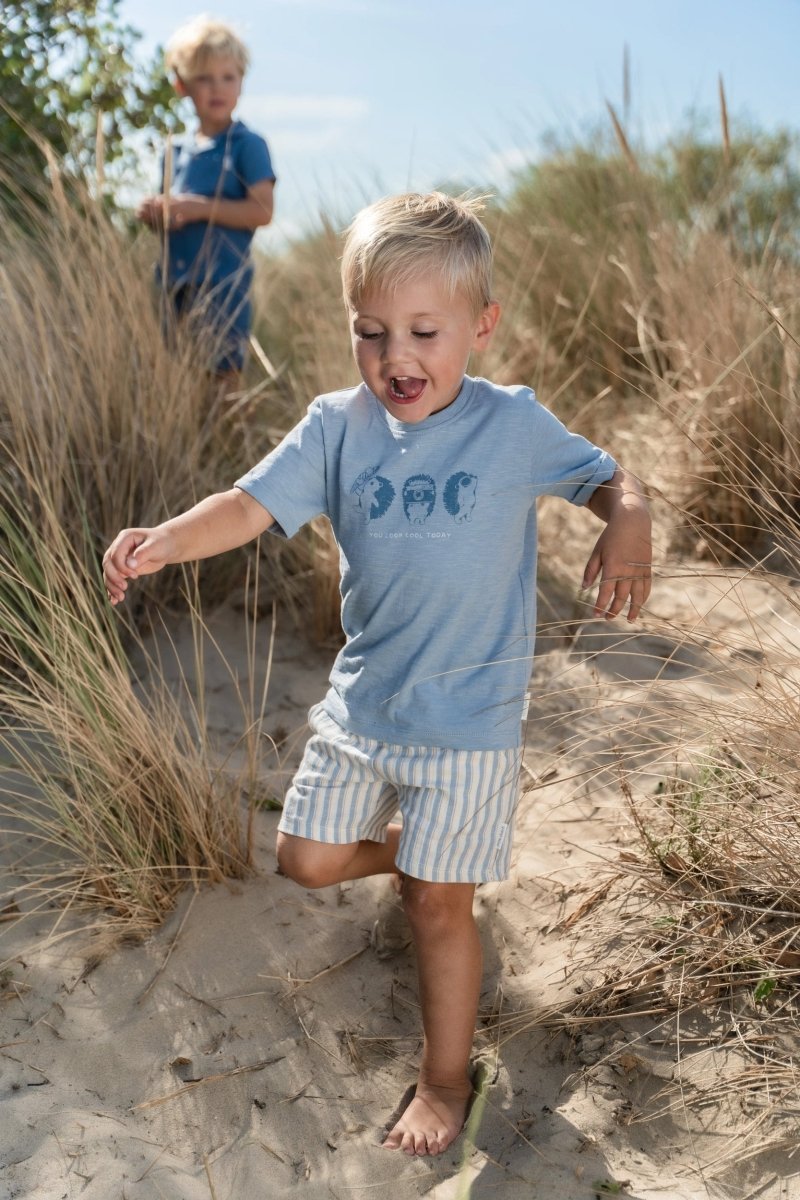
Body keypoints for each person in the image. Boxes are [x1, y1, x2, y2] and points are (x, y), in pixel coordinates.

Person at [103, 192, 652, 1158]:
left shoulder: (512, 424)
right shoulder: (336, 427)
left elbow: (608, 476)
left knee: (436, 905)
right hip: (364, 707)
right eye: (371, 331)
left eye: (425, 332)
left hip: (471, 717)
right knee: (306, 858)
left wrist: (631, 516)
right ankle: (424, 847)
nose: (397, 355)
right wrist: (165, 541)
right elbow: (246, 504)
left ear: (481, 325)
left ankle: (445, 1078)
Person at [136, 16, 276, 393]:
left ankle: (228, 434)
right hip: (173, 284)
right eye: (204, 78)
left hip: (223, 285)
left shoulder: (247, 144)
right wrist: (155, 213)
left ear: (241, 81)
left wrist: (198, 207)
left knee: (221, 383)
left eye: (228, 77)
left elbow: (262, 211)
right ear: (181, 85)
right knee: (177, 378)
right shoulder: (175, 151)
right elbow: (173, 213)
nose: (217, 88)